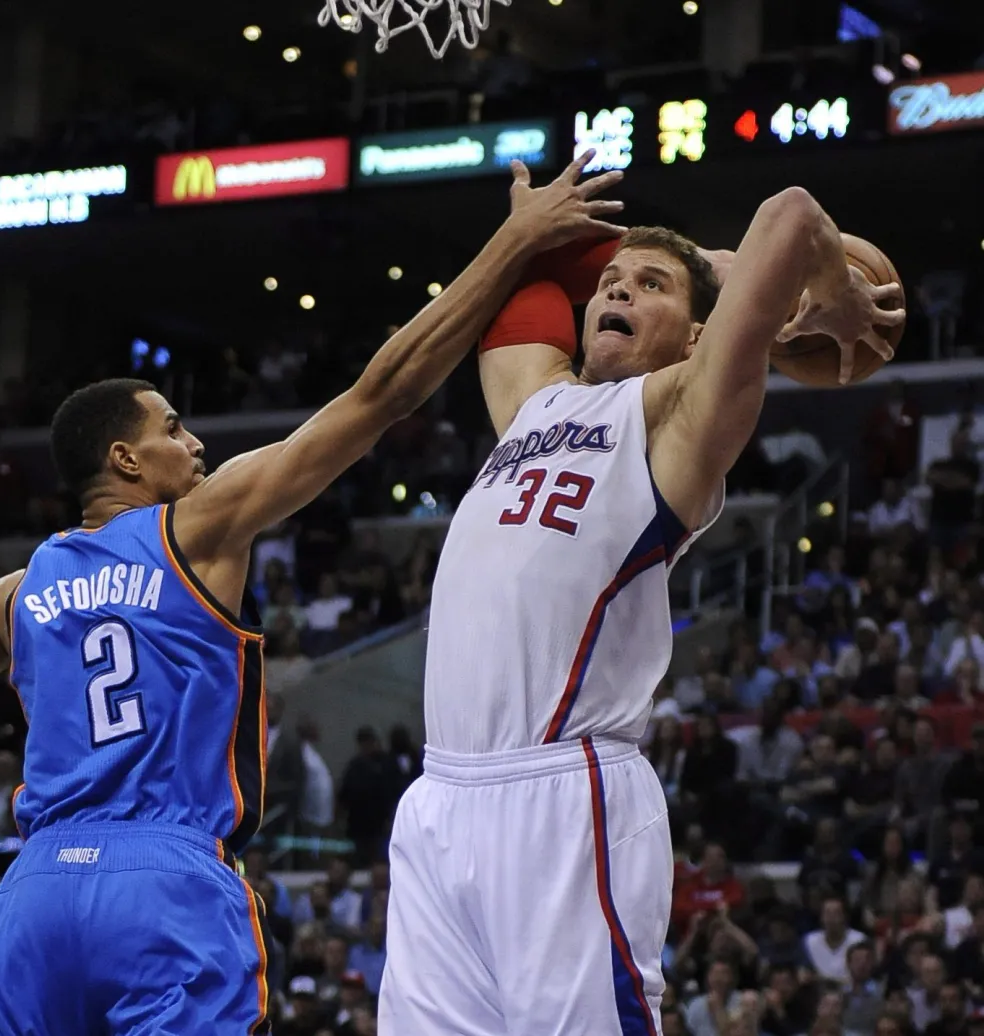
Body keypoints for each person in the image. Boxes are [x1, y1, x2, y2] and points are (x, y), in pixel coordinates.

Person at [0, 153, 627, 1036]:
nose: (197, 443)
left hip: (35, 899)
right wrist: (511, 244)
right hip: (167, 885)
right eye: (174, 428)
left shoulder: (16, 595)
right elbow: (381, 395)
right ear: (124, 459)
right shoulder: (201, 527)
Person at [382, 179, 903, 1035]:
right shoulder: (532, 398)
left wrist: (827, 289)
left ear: (699, 334)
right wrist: (656, 260)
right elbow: (532, 265)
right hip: (439, 797)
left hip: (567, 794)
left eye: (650, 286)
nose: (617, 291)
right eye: (611, 284)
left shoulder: (682, 416)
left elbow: (791, 213)